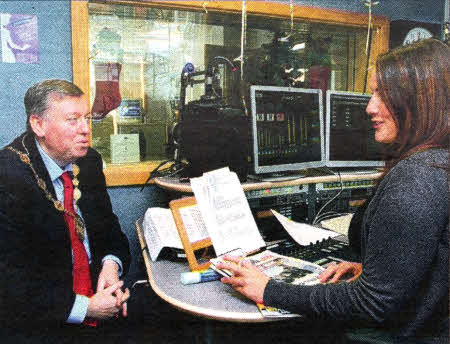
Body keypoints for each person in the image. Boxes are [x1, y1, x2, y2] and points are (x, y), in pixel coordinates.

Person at [216, 38, 449, 343]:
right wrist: (378, 270)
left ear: (418, 102)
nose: (370, 107)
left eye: (383, 94)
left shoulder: (416, 179)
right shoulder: (439, 164)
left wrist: (269, 289)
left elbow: (372, 305)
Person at [0, 80, 132, 343]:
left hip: (98, 304)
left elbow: (110, 230)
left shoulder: (89, 161)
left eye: (86, 118)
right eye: (73, 120)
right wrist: (86, 309)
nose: (85, 129)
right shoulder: (7, 176)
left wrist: (110, 268)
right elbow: (10, 282)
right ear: (39, 125)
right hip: (39, 323)